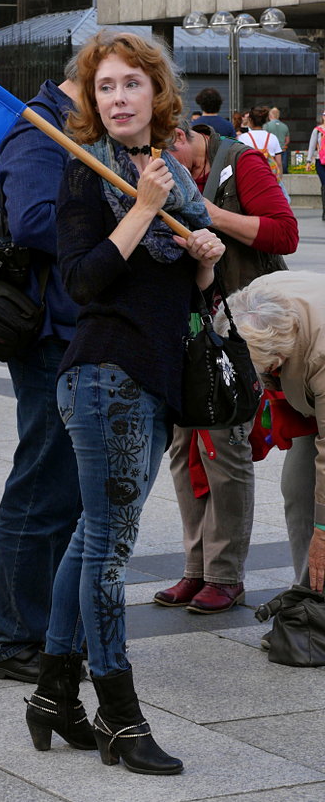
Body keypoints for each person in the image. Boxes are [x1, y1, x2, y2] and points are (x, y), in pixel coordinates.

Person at [24, 31, 224, 775]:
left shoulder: (173, 172)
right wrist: (142, 210)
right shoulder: (84, 174)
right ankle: (119, 715)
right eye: (103, 87)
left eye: (128, 85)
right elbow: (83, 280)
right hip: (104, 376)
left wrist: (204, 263)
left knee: (90, 539)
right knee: (109, 551)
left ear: (156, 94)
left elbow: (180, 294)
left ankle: (52, 694)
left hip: (154, 376)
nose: (115, 99)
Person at [154, 121, 298, 613]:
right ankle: (195, 569)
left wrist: (210, 214)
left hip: (239, 324)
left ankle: (225, 573)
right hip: (185, 323)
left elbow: (285, 233)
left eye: (170, 149)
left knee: (225, 446)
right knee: (184, 446)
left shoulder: (240, 162)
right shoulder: (156, 168)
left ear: (182, 133)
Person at [0, 59, 83, 684]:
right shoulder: (38, 130)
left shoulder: (76, 132)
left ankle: (47, 628)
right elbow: (35, 221)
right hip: (46, 332)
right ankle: (12, 639)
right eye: (111, 84)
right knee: (42, 484)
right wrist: (122, 211)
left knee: (67, 488)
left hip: (78, 326)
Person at [220, 271, 325, 593]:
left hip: (317, 371)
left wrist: (322, 530)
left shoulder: (320, 354)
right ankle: (307, 603)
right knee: (297, 489)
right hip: (308, 388)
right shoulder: (252, 303)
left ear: (280, 356)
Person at [238, 104, 283, 179]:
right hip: (269, 178)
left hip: (251, 177)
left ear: (250, 120)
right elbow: (279, 163)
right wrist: (279, 179)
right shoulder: (272, 137)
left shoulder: (243, 138)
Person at [306, 109, 325, 221]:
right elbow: (312, 146)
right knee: (324, 184)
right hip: (320, 161)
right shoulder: (317, 131)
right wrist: (308, 161)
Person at [264, 107, 290, 174]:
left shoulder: (266, 126)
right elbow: (287, 140)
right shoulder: (285, 126)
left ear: (270, 115)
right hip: (282, 150)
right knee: (282, 168)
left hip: (270, 152)